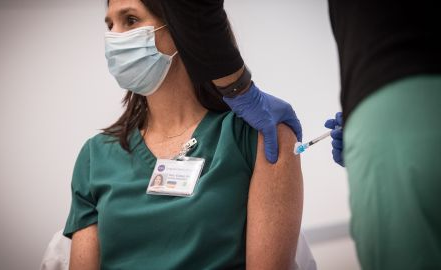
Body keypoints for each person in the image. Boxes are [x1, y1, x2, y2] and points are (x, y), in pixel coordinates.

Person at [159, 0, 441, 269]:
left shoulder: (260, 136)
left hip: (402, 97)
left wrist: (239, 89)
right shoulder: (115, 146)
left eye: (131, 19)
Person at [63, 0, 303, 269]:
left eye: (130, 20)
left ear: (182, 28)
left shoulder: (260, 134)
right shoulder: (96, 155)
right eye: (110, 25)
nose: (114, 39)